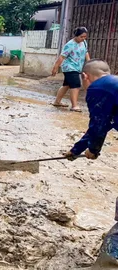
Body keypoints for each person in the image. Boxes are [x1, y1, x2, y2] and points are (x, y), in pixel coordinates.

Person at [63, 59, 118, 269]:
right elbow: (101, 125)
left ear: (85, 77)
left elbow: (99, 126)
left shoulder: (97, 88)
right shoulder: (113, 85)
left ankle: (110, 263)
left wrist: (93, 151)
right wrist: (76, 150)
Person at [51, 27, 91, 112]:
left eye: (85, 37)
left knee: (67, 85)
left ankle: (57, 102)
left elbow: (86, 52)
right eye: (81, 37)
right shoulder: (70, 45)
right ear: (76, 36)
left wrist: (90, 63)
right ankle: (74, 106)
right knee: (76, 85)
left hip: (77, 67)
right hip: (69, 67)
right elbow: (62, 57)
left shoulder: (84, 42)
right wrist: (55, 67)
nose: (83, 38)